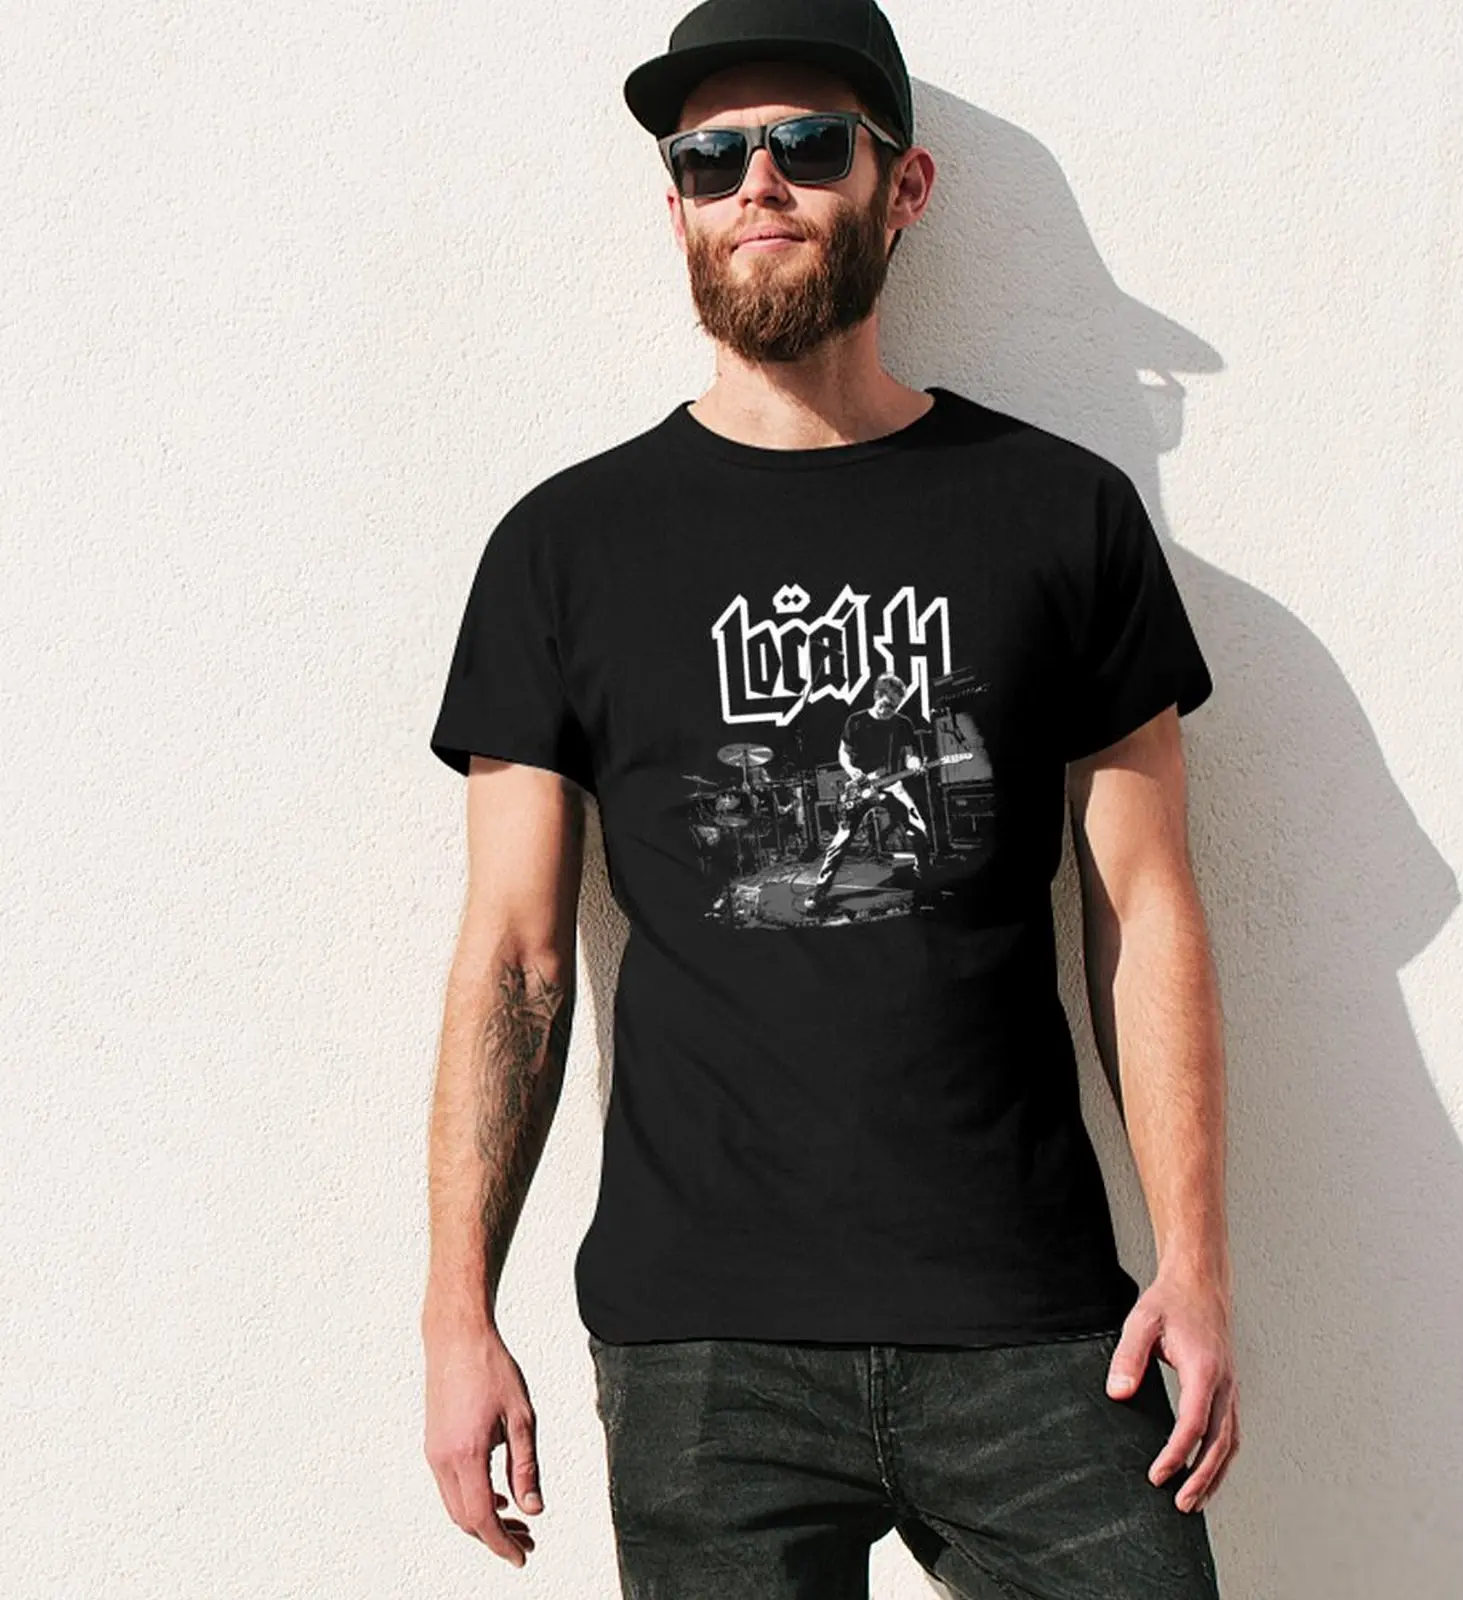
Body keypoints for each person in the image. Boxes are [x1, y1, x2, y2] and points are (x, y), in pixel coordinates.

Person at [420, 0, 1239, 1594]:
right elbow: (514, 959)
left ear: (901, 185)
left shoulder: (1061, 516)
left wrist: (1197, 1262)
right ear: (675, 206)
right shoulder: (564, 550)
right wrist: (460, 1313)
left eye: (808, 145)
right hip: (704, 1354)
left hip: (1034, 1320)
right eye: (710, 156)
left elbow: (1145, 910)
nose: (758, 183)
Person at [806, 669, 933, 913]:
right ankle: (819, 892)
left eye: (895, 705)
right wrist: (851, 770)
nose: (890, 709)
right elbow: (843, 752)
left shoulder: (902, 724)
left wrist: (915, 764)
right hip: (860, 788)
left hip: (892, 785)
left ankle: (924, 882)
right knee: (840, 842)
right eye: (887, 702)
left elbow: (910, 754)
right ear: (876, 695)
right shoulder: (856, 721)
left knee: (919, 832)